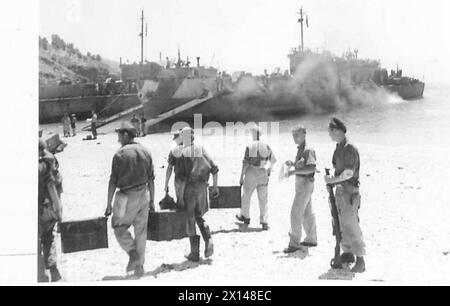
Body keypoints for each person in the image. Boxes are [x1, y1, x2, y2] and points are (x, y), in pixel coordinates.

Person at [104, 121, 155, 278]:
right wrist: (152, 200)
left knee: (118, 227)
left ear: (126, 135)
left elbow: (113, 180)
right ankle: (139, 266)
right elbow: (151, 179)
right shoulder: (146, 151)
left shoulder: (120, 154)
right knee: (141, 232)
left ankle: (132, 253)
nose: (118, 138)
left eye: (119, 134)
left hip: (125, 196)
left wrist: (108, 204)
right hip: (144, 194)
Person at [324, 118, 366, 273]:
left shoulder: (350, 149)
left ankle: (360, 259)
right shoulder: (339, 148)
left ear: (338, 130)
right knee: (341, 224)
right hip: (340, 192)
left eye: (331, 131)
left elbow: (348, 173)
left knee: (352, 224)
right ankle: (348, 253)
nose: (329, 134)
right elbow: (339, 170)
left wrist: (332, 180)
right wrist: (333, 180)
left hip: (349, 193)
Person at [179, 127, 219, 262]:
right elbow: (214, 168)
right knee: (199, 216)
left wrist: (179, 197)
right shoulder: (201, 149)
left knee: (190, 219)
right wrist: (214, 186)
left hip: (189, 188)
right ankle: (209, 240)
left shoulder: (182, 152)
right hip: (202, 187)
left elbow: (181, 178)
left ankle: (194, 253)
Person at [283, 126, 318, 253]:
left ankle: (294, 243)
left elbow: (311, 168)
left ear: (304, 134)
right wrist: (293, 164)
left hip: (305, 184)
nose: (294, 138)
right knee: (307, 213)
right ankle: (311, 238)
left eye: (297, 135)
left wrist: (293, 171)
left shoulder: (308, 150)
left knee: (295, 213)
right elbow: (304, 165)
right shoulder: (301, 149)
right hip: (303, 184)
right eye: (293, 136)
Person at [236, 126, 277, 230]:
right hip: (263, 172)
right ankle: (264, 221)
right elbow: (274, 160)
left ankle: (245, 217)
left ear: (253, 134)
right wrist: (269, 169)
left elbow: (245, 163)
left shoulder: (250, 146)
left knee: (246, 196)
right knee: (263, 199)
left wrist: (241, 176)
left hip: (251, 172)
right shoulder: (266, 146)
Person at [38, 138, 63, 282]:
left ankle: (41, 274)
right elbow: (54, 193)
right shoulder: (48, 167)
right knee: (49, 237)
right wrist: (59, 215)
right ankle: (53, 268)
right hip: (46, 209)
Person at [164, 129, 185, 208]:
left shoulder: (173, 151)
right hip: (192, 179)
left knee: (180, 202)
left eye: (175, 139)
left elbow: (169, 168)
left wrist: (166, 184)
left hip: (179, 179)